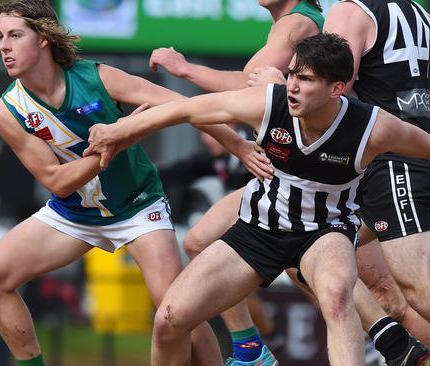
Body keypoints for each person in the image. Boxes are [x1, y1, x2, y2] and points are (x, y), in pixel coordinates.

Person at [84, 33, 430, 366]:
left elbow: (428, 146)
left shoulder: (371, 127)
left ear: (337, 87)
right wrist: (118, 131)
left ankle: (385, 342)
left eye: (305, 80)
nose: (293, 87)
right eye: (292, 75)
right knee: (169, 320)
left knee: (338, 299)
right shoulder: (269, 103)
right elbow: (188, 111)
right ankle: (251, 349)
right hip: (258, 231)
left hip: (324, 232)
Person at [0, 1, 265, 365]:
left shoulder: (96, 77)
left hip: (139, 206)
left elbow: (182, 105)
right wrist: (119, 138)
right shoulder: (9, 110)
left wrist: (238, 145)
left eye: (15, 35)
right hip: (74, 214)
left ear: (44, 38)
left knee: (177, 311)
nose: (4, 46)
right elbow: (57, 181)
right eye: (0, 37)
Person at [321, 1, 430, 364]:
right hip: (381, 166)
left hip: (394, 168)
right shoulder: (412, 11)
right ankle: (393, 342)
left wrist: (276, 88)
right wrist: (419, 129)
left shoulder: (349, 12)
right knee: (309, 251)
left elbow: (331, 86)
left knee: (426, 290)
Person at [149, 1, 323, 364]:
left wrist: (183, 70)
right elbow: (251, 87)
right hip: (295, 174)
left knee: (373, 295)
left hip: (315, 177)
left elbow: (248, 87)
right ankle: (249, 348)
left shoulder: (297, 22)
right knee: (200, 240)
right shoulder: (295, 22)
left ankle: (387, 340)